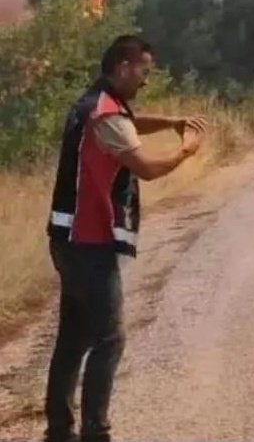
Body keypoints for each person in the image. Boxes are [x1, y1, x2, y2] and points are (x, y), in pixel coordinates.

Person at [43, 34, 207, 442]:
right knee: (111, 338)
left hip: (66, 239)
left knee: (73, 338)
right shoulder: (106, 116)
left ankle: (60, 430)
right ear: (122, 67)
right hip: (88, 244)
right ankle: (95, 433)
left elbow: (129, 124)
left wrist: (168, 122)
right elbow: (147, 167)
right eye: (143, 71)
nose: (146, 80)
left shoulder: (93, 104)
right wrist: (186, 149)